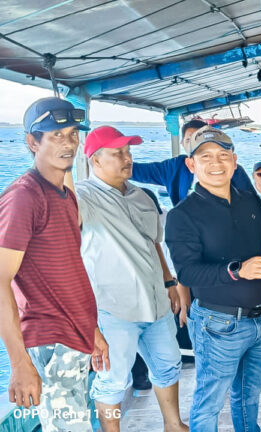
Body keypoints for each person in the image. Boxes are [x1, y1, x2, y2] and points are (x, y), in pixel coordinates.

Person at [0, 97, 108, 432]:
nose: (69, 143)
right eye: (56, 135)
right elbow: (1, 279)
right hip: (50, 340)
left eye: (73, 134)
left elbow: (68, 270)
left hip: (74, 336)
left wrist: (91, 329)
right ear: (32, 142)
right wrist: (19, 363)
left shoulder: (65, 195)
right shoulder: (24, 196)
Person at [75, 126, 187, 432]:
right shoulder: (81, 198)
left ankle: (174, 425)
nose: (128, 158)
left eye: (128, 152)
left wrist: (169, 282)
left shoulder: (142, 196)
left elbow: (153, 243)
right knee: (113, 379)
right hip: (112, 308)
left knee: (169, 365)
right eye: (118, 153)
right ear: (95, 160)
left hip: (156, 302)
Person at [165, 126, 261, 430]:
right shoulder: (182, 215)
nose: (216, 163)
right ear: (191, 164)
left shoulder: (249, 200)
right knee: (209, 403)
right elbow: (187, 272)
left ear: (235, 161)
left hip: (260, 321)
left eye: (223, 155)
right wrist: (238, 270)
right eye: (205, 157)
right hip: (217, 324)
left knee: (249, 397)